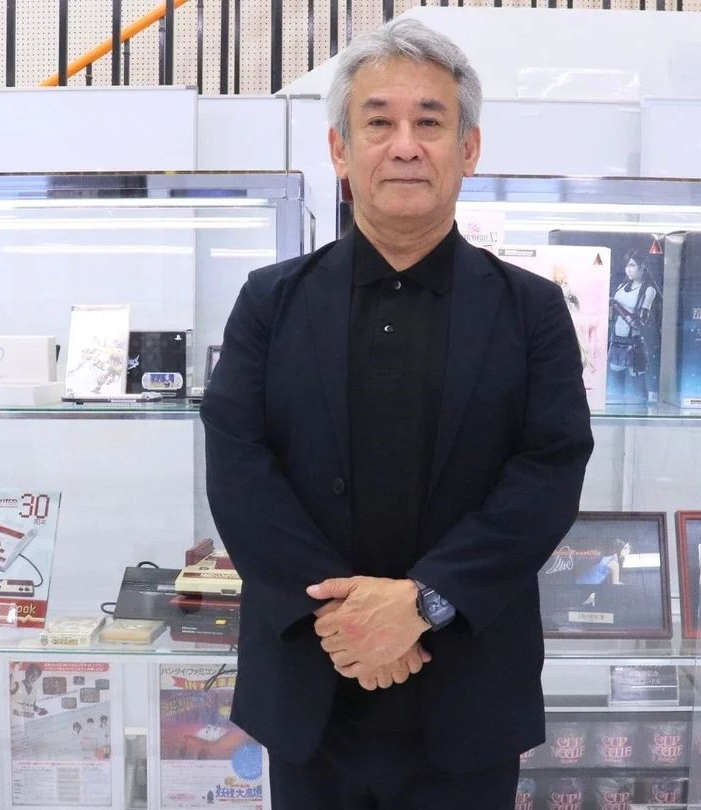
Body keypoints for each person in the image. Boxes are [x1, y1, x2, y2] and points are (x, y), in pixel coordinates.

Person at [200, 18, 594, 810]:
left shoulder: (533, 311)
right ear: (340, 151)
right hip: (313, 686)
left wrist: (421, 604)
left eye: (430, 122)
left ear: (468, 149)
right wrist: (347, 622)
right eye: (378, 123)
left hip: (469, 695)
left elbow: (549, 472)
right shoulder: (270, 302)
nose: (405, 146)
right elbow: (239, 469)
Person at [610, 251, 658, 404]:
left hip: (633, 343)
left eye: (632, 265)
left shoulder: (648, 289)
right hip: (616, 340)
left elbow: (640, 321)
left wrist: (617, 306)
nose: (628, 269)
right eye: (626, 266)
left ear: (642, 267)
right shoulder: (622, 286)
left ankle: (641, 417)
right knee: (616, 389)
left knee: (639, 391)